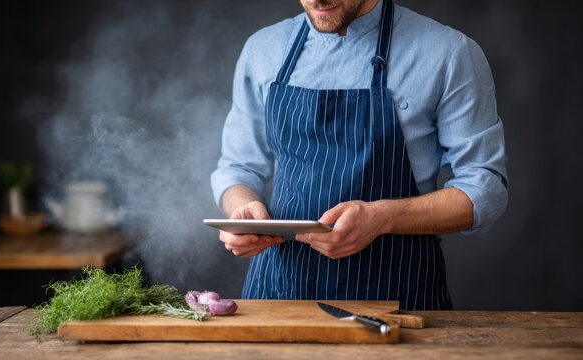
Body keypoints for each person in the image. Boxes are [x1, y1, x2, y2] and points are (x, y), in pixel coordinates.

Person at [210, 0, 508, 310]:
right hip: (278, 296)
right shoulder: (263, 49)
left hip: (397, 300)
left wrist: (382, 218)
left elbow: (484, 189)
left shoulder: (448, 52)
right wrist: (242, 209)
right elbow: (237, 168)